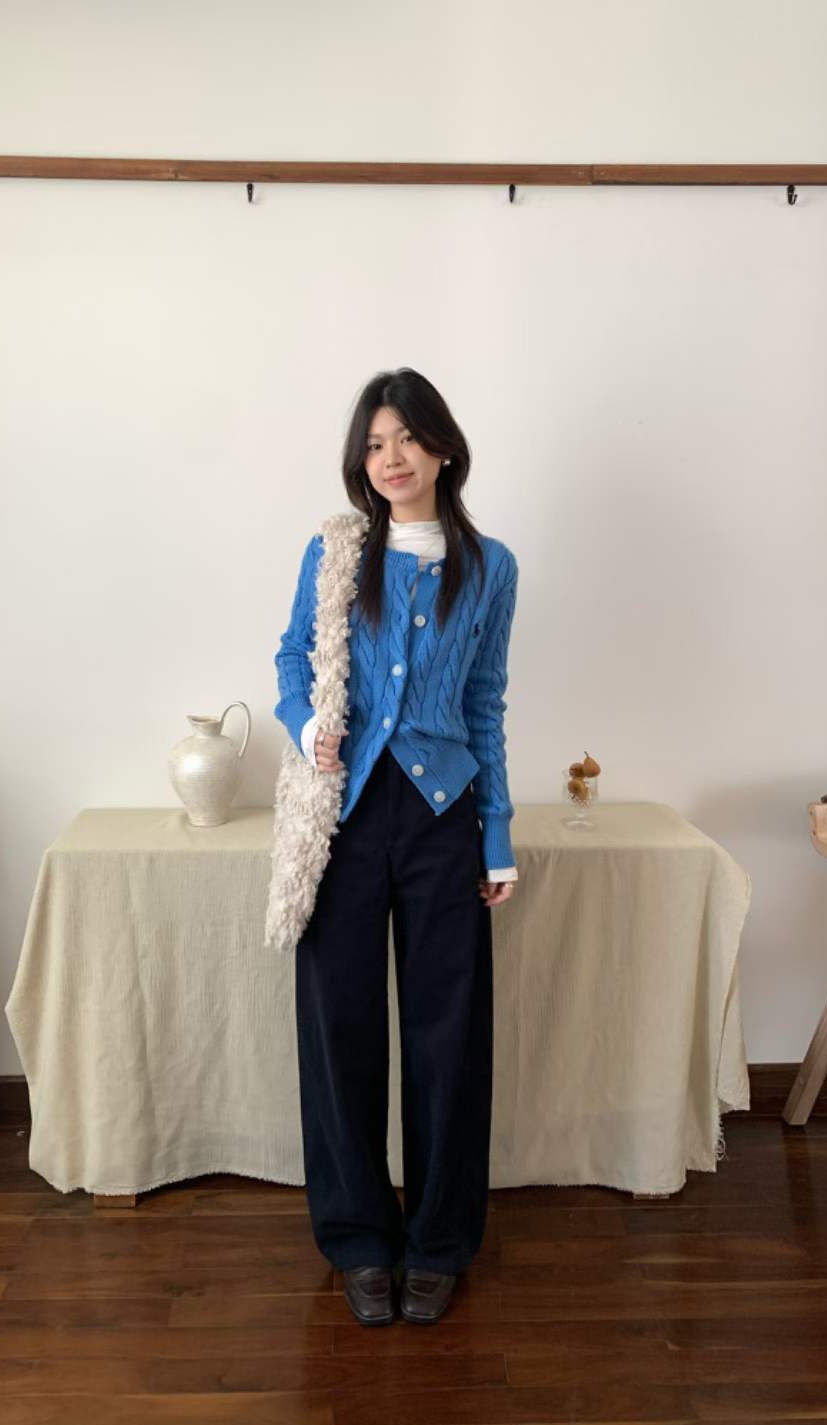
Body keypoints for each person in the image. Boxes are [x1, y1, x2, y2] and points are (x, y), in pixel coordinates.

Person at [273, 367, 519, 1327]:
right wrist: (306, 726)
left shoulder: (490, 567)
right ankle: (358, 1238)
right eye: (375, 444)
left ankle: (441, 1241)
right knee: (339, 1028)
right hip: (342, 814)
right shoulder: (335, 552)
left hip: (442, 814)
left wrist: (495, 835)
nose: (392, 458)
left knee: (447, 1035)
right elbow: (293, 658)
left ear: (443, 448)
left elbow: (485, 702)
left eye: (408, 438)